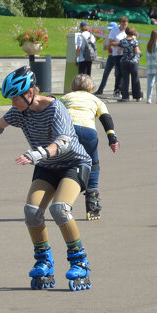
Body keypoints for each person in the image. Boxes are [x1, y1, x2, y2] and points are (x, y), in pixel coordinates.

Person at [0, 66, 94, 291]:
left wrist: (38, 153)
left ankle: (79, 262)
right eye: (11, 98)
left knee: (60, 208)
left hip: (73, 164)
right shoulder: (19, 112)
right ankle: (44, 260)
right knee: (32, 211)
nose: (13, 102)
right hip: (46, 166)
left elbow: (63, 142)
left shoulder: (55, 108)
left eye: (16, 97)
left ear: (33, 91)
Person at [58, 74, 120, 221]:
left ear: (73, 86)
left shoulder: (66, 98)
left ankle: (64, 202)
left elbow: (55, 115)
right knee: (94, 164)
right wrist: (112, 138)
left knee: (64, 165)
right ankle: (92, 203)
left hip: (68, 132)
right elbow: (106, 119)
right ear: (91, 88)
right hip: (88, 133)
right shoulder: (96, 100)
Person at [95, 18, 128, 97]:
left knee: (118, 74)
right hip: (112, 56)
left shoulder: (126, 32)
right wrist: (118, 45)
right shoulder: (110, 35)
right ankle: (101, 89)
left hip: (121, 55)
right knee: (106, 73)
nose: (110, 31)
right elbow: (107, 46)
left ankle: (119, 90)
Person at [117, 25, 142, 102]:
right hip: (133, 61)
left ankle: (125, 96)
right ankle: (137, 95)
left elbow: (118, 52)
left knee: (125, 79)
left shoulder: (122, 41)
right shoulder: (134, 41)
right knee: (135, 79)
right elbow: (137, 51)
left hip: (124, 61)